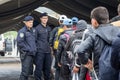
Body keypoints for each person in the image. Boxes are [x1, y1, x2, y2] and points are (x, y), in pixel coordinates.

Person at [74, 6, 119, 79]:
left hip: (99, 74)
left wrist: (85, 62)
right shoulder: (118, 31)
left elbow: (80, 50)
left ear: (94, 22)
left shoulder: (94, 36)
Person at [17, 16, 37, 80]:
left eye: (32, 22)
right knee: (25, 72)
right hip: (26, 54)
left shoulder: (33, 30)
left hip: (32, 53)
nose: (31, 23)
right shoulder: (22, 31)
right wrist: (28, 49)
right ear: (25, 23)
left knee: (29, 72)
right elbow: (20, 43)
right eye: (30, 22)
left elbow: (35, 41)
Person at [49, 15, 67, 80]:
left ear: (59, 21)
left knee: (57, 68)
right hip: (66, 52)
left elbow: (51, 39)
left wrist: (51, 49)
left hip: (57, 51)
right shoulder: (68, 30)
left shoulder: (55, 29)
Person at [34, 12, 52, 80]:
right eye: (43, 18)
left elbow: (50, 40)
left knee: (47, 68)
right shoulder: (37, 28)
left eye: (46, 18)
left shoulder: (49, 28)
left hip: (47, 52)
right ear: (41, 19)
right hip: (40, 52)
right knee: (39, 68)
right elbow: (34, 40)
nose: (45, 19)